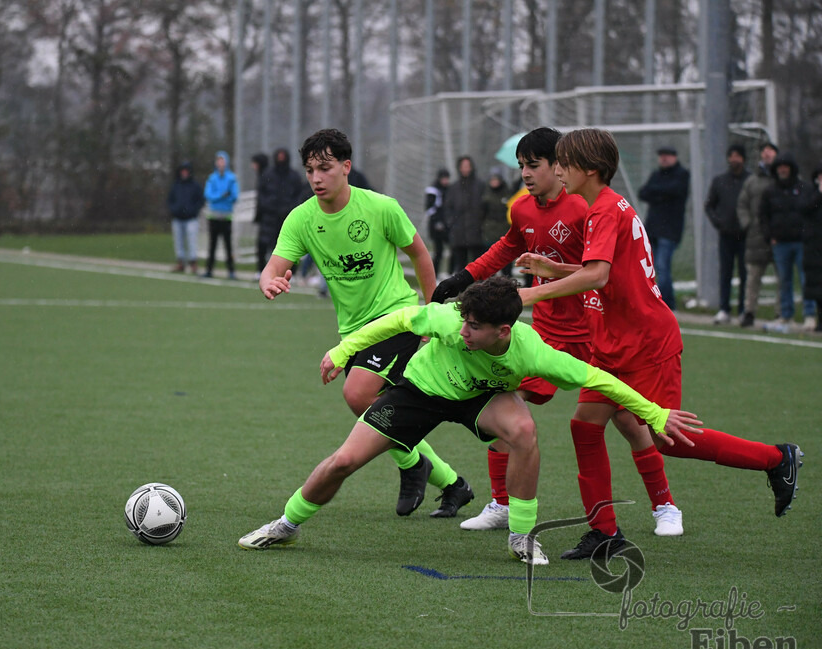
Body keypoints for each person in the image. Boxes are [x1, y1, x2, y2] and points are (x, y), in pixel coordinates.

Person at [238, 276, 703, 564]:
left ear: (504, 330)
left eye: (473, 327)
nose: (462, 331)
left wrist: (655, 413)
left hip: (480, 397)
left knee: (523, 431)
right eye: (462, 321)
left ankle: (521, 536)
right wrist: (340, 351)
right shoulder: (448, 320)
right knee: (343, 461)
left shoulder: (533, 350)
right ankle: (285, 525)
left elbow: (600, 379)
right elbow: (399, 320)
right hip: (419, 391)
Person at [514, 128, 803, 560]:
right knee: (584, 426)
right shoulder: (603, 207)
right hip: (614, 342)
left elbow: (598, 276)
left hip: (647, 342)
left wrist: (533, 292)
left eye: (564, 163)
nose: (558, 170)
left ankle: (776, 459)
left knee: (668, 437)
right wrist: (552, 269)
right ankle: (605, 532)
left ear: (589, 169)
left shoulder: (605, 210)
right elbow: (601, 269)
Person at [432, 127, 681, 538]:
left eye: (535, 165)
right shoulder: (523, 209)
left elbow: (600, 274)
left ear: (560, 166)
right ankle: (502, 504)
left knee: (626, 418)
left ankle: (664, 504)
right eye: (521, 166)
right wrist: (465, 276)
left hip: (595, 331)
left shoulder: (587, 208)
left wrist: (532, 290)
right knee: (504, 406)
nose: (527, 174)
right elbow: (506, 247)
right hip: (547, 335)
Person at [258, 128, 474, 518]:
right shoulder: (302, 219)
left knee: (359, 396)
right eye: (310, 170)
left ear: (346, 167)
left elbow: (421, 256)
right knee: (385, 409)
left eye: (325, 168)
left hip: (397, 316)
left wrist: (430, 313)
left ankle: (413, 467)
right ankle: (450, 482)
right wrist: (269, 280)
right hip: (354, 333)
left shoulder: (379, 207)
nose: (316, 178)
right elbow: (275, 265)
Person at [761, 153, 816, 330]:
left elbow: (810, 212)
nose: (783, 170)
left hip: (801, 242)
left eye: (786, 166)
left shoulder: (804, 188)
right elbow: (763, 216)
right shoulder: (770, 191)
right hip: (781, 243)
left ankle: (809, 315)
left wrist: (808, 235)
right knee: (784, 280)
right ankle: (786, 315)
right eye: (779, 167)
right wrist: (770, 236)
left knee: (805, 279)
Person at [637, 145, 690, 310]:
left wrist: (658, 192)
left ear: (674, 157)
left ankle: (665, 303)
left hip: (670, 230)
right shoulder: (656, 174)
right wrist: (662, 193)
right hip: (652, 229)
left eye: (667, 155)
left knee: (662, 266)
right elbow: (643, 192)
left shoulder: (682, 174)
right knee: (649, 266)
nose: (664, 158)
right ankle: (658, 301)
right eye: (662, 155)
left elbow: (675, 190)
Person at [705, 144, 751, 324]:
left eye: (738, 156)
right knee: (725, 273)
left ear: (744, 158)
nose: (734, 159)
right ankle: (724, 309)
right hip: (726, 235)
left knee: (745, 274)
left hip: (745, 235)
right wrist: (719, 222)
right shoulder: (720, 181)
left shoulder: (750, 180)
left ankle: (743, 309)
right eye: (731, 156)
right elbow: (709, 205)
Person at [736, 142, 779, 328]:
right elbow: (742, 205)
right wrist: (748, 225)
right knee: (753, 277)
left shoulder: (785, 179)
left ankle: (782, 313)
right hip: (756, 236)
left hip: (779, 237)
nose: (767, 155)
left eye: (771, 152)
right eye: (764, 152)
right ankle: (749, 312)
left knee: (782, 278)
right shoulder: (752, 181)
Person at [255, 148, 307, 273]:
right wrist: (269, 207)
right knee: (264, 244)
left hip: (287, 218)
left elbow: (299, 195)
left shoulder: (294, 176)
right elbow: (261, 194)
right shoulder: (267, 175)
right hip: (269, 219)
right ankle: (262, 271)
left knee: (290, 246)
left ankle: (291, 272)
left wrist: (288, 209)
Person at [445, 155, 487, 272]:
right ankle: (461, 289)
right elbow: (448, 208)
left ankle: (479, 288)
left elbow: (485, 207)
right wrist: (452, 223)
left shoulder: (480, 186)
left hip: (477, 233)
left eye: (468, 166)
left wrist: (482, 224)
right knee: (461, 266)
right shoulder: (454, 188)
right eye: (463, 166)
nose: (465, 169)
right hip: (459, 234)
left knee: (479, 264)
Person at [202, 150, 240, 279]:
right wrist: (221, 195)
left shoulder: (231, 178)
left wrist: (224, 197)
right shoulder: (212, 178)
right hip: (213, 217)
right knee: (212, 246)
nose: (221, 163)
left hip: (226, 217)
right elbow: (209, 195)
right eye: (218, 160)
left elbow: (234, 196)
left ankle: (231, 271)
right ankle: (209, 270)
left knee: (228, 246)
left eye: (222, 160)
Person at [167, 161, 204, 274]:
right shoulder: (176, 185)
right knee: (179, 242)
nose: (184, 173)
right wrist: (174, 210)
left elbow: (200, 200)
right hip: (178, 218)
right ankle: (180, 262)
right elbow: (170, 200)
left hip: (191, 218)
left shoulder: (195, 186)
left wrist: (193, 210)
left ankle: (193, 263)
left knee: (192, 241)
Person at [480, 166, 514, 277]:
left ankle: (507, 282)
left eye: (496, 179)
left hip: (504, 231)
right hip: (489, 232)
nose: (494, 182)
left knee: (506, 262)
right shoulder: (485, 195)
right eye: (492, 179)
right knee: (490, 261)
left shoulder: (507, 193)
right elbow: (482, 214)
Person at [804, 163, 822, 332]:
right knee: (816, 285)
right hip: (815, 247)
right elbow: (805, 208)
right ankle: (818, 318)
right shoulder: (811, 193)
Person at [425, 168, 451, 276]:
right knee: (438, 252)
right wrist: (437, 222)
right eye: (443, 178)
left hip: (447, 225)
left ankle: (450, 272)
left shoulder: (449, 190)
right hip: (436, 227)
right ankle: (434, 274)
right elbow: (429, 208)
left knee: (453, 249)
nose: (445, 181)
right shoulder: (433, 190)